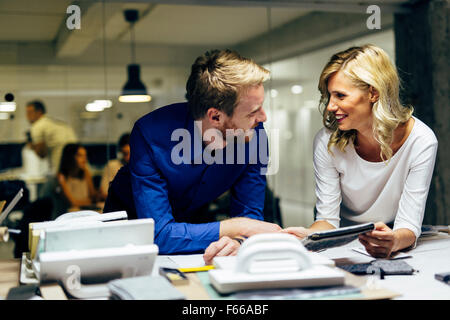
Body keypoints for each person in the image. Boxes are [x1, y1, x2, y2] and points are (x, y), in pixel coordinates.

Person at [104, 49, 281, 261]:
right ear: (215, 116)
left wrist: (238, 241)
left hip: (195, 221)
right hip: (131, 223)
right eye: (253, 111)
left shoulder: (254, 135)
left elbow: (251, 216)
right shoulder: (151, 134)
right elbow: (159, 235)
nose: (264, 117)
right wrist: (237, 226)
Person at [282, 45, 438, 258]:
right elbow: (327, 219)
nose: (330, 106)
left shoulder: (421, 140)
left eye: (340, 96)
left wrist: (392, 241)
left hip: (389, 237)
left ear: (373, 92)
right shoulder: (326, 142)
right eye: (329, 96)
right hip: (341, 242)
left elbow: (408, 226)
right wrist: (309, 236)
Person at [26, 100, 78, 175]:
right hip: (79, 164)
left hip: (61, 167)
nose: (27, 116)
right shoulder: (57, 123)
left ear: (39, 112)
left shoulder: (37, 126)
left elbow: (41, 154)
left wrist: (32, 146)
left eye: (29, 112)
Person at [57, 143, 102, 212]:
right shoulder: (61, 177)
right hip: (68, 216)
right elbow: (72, 203)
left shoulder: (86, 173)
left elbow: (93, 196)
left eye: (85, 156)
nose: (84, 159)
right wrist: (90, 202)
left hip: (84, 212)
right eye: (80, 156)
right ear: (70, 157)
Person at [99, 133, 130, 200]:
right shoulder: (112, 165)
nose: (127, 158)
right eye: (125, 154)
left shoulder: (142, 167)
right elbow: (104, 192)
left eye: (130, 154)